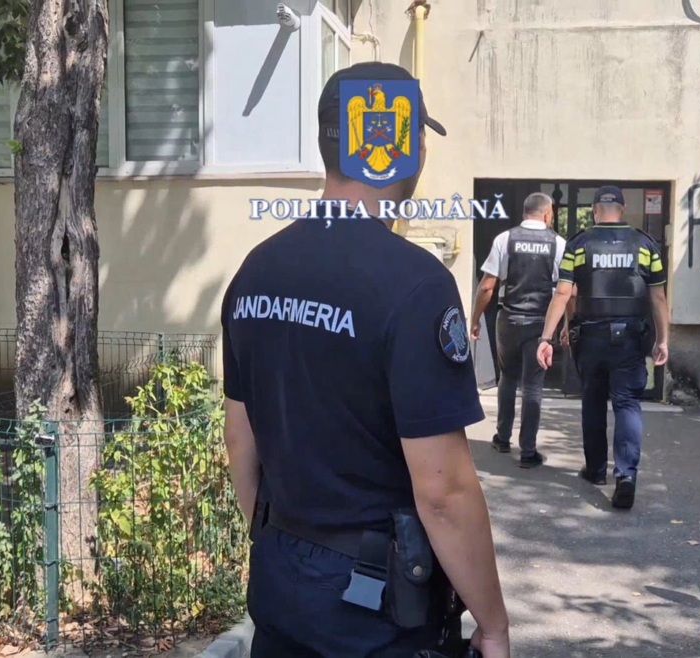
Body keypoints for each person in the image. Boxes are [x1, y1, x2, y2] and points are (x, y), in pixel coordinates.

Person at [220, 62, 510, 658]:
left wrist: (285, 542)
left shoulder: (256, 269)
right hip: (375, 605)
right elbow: (444, 492)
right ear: (403, 147)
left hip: (280, 580)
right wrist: (494, 622)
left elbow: (239, 439)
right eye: (419, 135)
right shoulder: (415, 284)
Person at [535, 186, 670, 510]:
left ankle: (596, 471)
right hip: (630, 339)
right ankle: (626, 476)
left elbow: (563, 293)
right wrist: (663, 339)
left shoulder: (579, 244)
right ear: (622, 209)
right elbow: (658, 296)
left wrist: (546, 338)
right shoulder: (644, 245)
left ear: (595, 209)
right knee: (627, 404)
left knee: (593, 402)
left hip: (591, 338)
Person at [469, 191, 567, 468]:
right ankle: (528, 451)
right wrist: (566, 325)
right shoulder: (558, 243)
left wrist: (475, 318)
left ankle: (502, 438)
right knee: (533, 385)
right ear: (547, 214)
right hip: (540, 323)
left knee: (508, 378)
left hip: (508, 319)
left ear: (525, 212)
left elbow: (487, 286)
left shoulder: (505, 239)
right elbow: (566, 290)